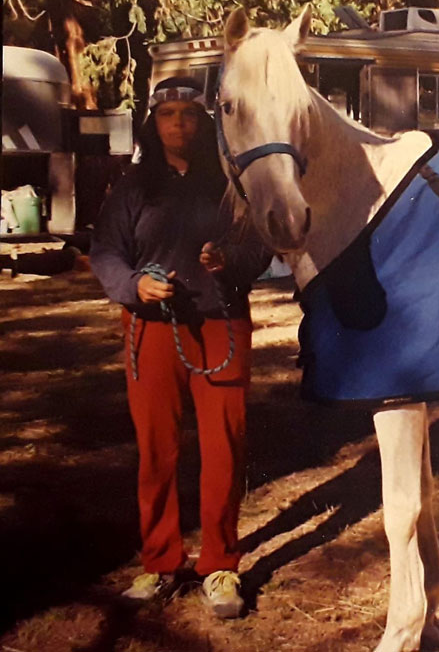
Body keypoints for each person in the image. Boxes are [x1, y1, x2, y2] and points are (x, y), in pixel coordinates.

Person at [90, 76, 271, 618]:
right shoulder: (132, 186)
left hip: (221, 324)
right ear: (154, 122)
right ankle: (161, 561)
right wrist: (133, 287)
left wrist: (229, 262)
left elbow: (257, 245)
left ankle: (219, 566)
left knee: (224, 447)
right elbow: (105, 253)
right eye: (167, 114)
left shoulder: (230, 183)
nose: (177, 124)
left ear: (204, 122)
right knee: (157, 448)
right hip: (152, 327)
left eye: (187, 115)